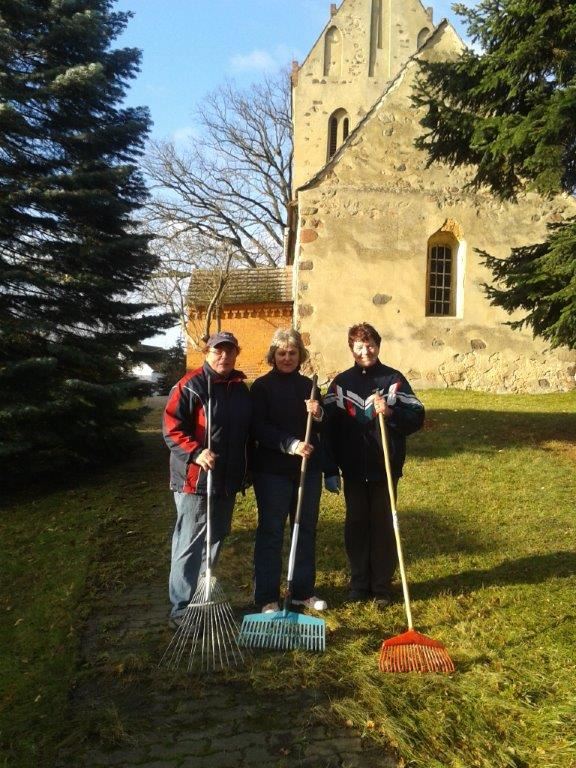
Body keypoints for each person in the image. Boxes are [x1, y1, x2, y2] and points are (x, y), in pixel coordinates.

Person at [323, 322, 424, 608]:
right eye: (359, 346)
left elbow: (417, 416)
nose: (365, 351)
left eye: (370, 345)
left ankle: (381, 587)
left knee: (382, 526)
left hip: (385, 469)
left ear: (378, 346)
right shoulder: (341, 384)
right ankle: (358, 583)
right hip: (353, 469)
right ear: (351, 349)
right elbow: (326, 426)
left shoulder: (394, 380)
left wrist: (390, 412)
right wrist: (330, 467)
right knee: (356, 524)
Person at [162, 331, 252, 626]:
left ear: (236, 353)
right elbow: (172, 428)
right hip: (195, 479)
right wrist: (196, 451)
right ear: (207, 353)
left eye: (229, 351)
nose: (223, 356)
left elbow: (247, 433)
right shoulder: (191, 386)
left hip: (226, 480)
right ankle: (181, 608)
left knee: (215, 538)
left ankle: (202, 597)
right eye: (217, 351)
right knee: (189, 542)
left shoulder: (240, 389)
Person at [250, 328, 327, 613]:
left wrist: (318, 413)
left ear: (300, 355)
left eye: (292, 353)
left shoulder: (309, 386)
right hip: (273, 471)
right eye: (281, 353)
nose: (287, 358)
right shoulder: (262, 387)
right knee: (271, 531)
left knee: (305, 529)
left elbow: (323, 427)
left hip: (307, 470)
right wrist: (291, 444)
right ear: (273, 355)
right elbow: (258, 428)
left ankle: (302, 592)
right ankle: (267, 597)